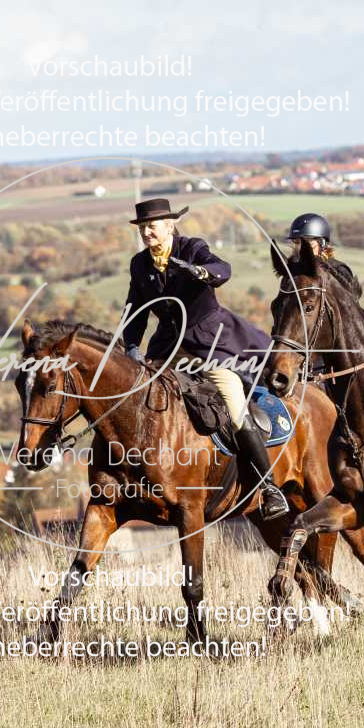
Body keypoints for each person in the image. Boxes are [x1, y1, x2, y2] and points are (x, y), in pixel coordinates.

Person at [119, 198, 290, 520]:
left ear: (169, 225)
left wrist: (201, 272)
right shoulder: (139, 264)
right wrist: (130, 345)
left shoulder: (192, 247)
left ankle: (269, 488)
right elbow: (135, 310)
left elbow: (222, 269)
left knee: (235, 408)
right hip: (168, 347)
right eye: (142, 228)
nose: (146, 232)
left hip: (208, 343)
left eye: (151, 226)